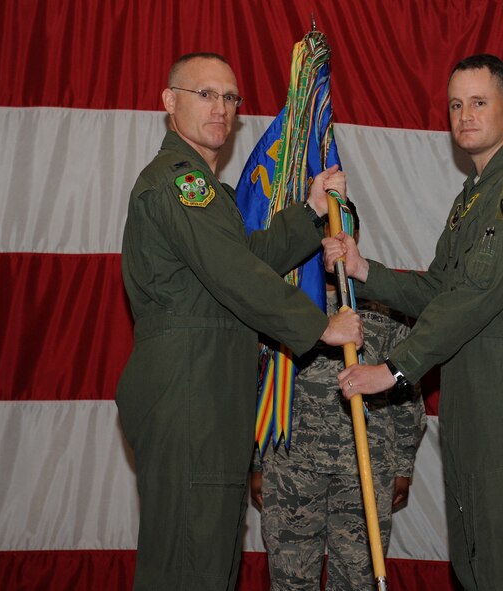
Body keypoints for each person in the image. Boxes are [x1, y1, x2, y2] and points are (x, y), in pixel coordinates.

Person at [115, 52, 363, 591]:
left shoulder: (208, 192)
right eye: (205, 94)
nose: (221, 108)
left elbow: (246, 256)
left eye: (230, 98)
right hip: (189, 393)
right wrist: (321, 327)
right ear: (168, 101)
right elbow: (234, 273)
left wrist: (312, 210)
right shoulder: (180, 183)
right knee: (189, 564)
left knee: (211, 560)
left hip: (208, 394)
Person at [323, 54, 503, 590]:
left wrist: (393, 370)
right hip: (475, 401)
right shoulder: (474, 197)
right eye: (456, 104)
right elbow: (438, 291)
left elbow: (475, 297)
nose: (465, 115)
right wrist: (364, 270)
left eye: (479, 102)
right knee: (477, 564)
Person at [249, 200, 426, 590]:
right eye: (320, 230)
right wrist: (257, 462)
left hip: (366, 467)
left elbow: (407, 391)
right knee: (291, 579)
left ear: (354, 236)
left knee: (359, 580)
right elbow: (260, 387)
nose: (328, 239)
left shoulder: (384, 301)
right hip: (291, 466)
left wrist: (402, 466)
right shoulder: (282, 301)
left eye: (339, 229)